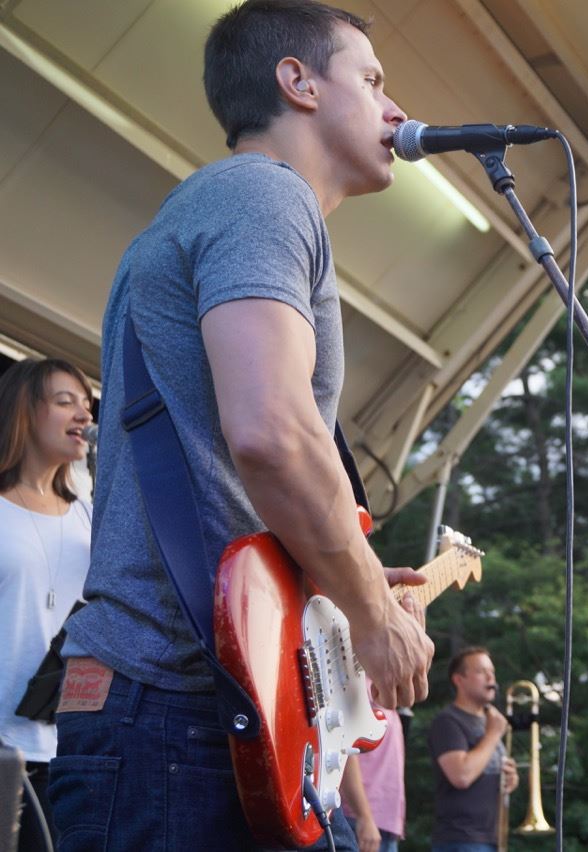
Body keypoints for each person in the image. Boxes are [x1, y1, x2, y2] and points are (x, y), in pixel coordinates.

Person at [47, 2, 435, 849]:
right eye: (371, 81)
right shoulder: (262, 193)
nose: (396, 109)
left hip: (177, 710)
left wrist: (347, 571)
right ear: (295, 82)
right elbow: (274, 435)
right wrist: (372, 613)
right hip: (175, 710)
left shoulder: (222, 208)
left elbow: (234, 471)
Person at [0, 359, 94, 852]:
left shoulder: (89, 516)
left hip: (67, 751)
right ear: (24, 411)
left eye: (86, 404)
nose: (83, 414)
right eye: (65, 402)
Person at [428, 647, 520, 852]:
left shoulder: (490, 721)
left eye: (492, 671)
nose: (490, 677)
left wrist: (509, 779)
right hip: (460, 839)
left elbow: (485, 770)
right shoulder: (448, 721)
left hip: (490, 838)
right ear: (459, 680)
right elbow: (461, 775)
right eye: (481, 671)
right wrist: (494, 735)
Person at [340, 688, 406, 852]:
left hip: (383, 824)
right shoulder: (359, 686)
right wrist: (364, 817)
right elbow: (347, 751)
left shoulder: (383, 688)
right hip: (358, 820)